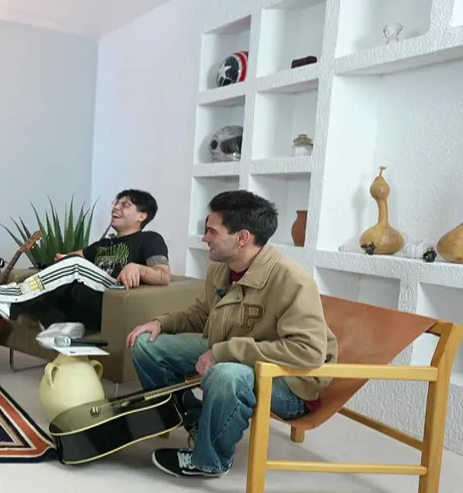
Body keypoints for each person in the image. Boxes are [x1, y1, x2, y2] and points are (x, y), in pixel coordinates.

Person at [126, 190, 337, 478]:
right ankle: (195, 420)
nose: (205, 238)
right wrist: (161, 323)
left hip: (289, 384)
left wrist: (225, 351)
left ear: (242, 238)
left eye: (212, 231)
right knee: (145, 344)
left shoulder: (292, 280)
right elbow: (204, 312)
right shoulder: (220, 269)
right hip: (236, 356)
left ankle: (210, 460)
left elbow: (308, 351)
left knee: (226, 374)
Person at [6, 190, 171, 338]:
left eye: (125, 205)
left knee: (73, 266)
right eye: (116, 203)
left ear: (142, 216)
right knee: (55, 281)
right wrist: (62, 261)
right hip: (84, 299)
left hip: (108, 300)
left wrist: (138, 268)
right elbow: (75, 257)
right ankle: (62, 325)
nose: (115, 207)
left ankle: (12, 301)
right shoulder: (104, 243)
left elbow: (163, 276)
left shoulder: (149, 239)